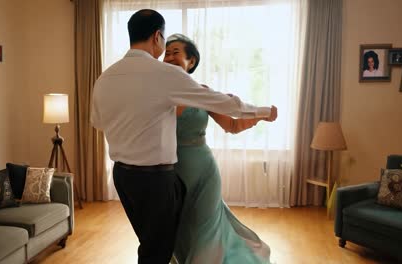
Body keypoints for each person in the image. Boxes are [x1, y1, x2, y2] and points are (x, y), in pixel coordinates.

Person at [90, 9, 277, 264]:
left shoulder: (105, 78)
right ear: (157, 37)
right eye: (167, 46)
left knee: (153, 242)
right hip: (158, 177)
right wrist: (264, 111)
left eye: (176, 52)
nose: (168, 52)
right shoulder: (163, 76)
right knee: (158, 248)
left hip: (124, 177)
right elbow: (228, 104)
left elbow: (98, 122)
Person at [164, 34, 271, 264]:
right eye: (166, 53)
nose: (169, 57)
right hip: (170, 170)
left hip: (203, 172)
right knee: (179, 225)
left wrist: (260, 116)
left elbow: (232, 124)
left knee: (205, 225)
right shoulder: (159, 94)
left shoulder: (202, 92)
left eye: (175, 52)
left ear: (191, 61)